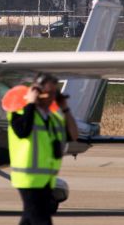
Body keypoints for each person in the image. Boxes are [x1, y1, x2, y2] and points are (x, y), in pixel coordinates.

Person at [7, 73, 79, 225]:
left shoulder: (54, 118)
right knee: (41, 219)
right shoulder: (19, 112)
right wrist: (31, 103)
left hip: (46, 179)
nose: (51, 97)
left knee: (30, 218)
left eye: (54, 93)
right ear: (37, 92)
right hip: (28, 178)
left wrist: (65, 108)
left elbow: (73, 134)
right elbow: (23, 131)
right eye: (49, 93)